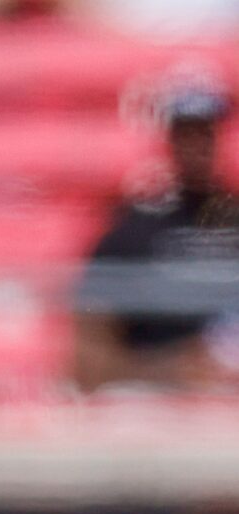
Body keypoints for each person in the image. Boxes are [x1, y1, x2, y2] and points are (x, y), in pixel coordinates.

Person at [74, 77, 239, 394]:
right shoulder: (133, 230)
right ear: (169, 139)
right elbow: (87, 364)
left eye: (205, 132)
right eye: (186, 133)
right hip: (157, 407)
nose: (197, 145)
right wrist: (176, 369)